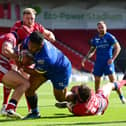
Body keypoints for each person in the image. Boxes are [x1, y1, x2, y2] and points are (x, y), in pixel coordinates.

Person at [1, 7, 56, 115]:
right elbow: (13, 39)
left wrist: (51, 37)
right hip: (17, 55)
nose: (29, 21)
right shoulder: (18, 26)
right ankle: (5, 105)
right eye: (27, 18)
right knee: (13, 79)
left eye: (31, 18)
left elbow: (48, 33)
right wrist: (17, 57)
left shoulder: (37, 26)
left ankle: (29, 109)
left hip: (29, 59)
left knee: (27, 83)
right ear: (23, 18)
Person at [18, 31, 72, 119]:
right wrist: (21, 58)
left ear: (40, 45)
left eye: (33, 48)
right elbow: (22, 49)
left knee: (60, 98)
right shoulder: (29, 39)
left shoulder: (46, 56)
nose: (30, 49)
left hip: (60, 71)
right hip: (46, 68)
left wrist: (23, 67)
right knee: (29, 89)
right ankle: (35, 113)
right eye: (30, 45)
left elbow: (36, 72)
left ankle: (77, 98)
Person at [81, 21, 126, 103]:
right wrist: (85, 58)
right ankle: (97, 100)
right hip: (98, 63)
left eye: (102, 27)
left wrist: (112, 59)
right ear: (97, 29)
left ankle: (121, 97)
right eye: (99, 27)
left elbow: (118, 47)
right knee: (97, 81)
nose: (101, 29)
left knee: (113, 81)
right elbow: (92, 50)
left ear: (106, 27)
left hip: (108, 62)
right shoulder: (95, 39)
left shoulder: (110, 37)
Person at [0, 32, 30, 118]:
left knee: (18, 85)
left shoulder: (7, 37)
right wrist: (20, 57)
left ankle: (8, 107)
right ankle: (9, 109)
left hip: (3, 65)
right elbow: (5, 49)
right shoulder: (11, 37)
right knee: (25, 83)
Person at [56, 80, 126, 116]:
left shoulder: (80, 108)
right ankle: (124, 81)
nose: (76, 90)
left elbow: (71, 110)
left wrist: (68, 104)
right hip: (99, 100)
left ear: (80, 98)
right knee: (110, 85)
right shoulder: (90, 92)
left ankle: (68, 101)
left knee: (70, 103)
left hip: (103, 101)